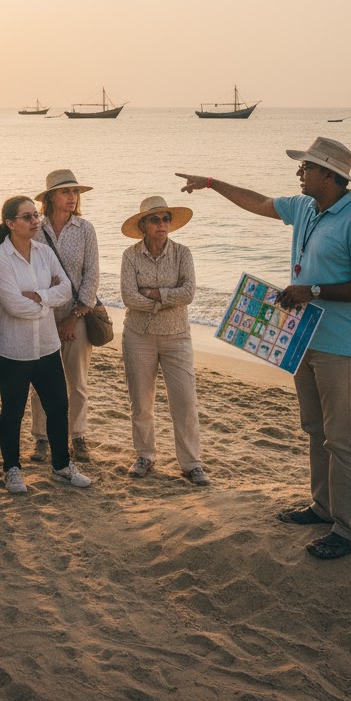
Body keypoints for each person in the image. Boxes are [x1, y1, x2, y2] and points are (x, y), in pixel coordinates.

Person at [178, 136, 351, 559]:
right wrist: (212, 183)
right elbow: (258, 203)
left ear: (329, 175)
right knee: (315, 430)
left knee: (343, 439)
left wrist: (311, 289)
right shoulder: (306, 207)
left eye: (306, 168)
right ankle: (324, 507)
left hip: (339, 345)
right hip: (303, 338)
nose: (299, 173)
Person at [0, 197, 91, 493]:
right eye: (27, 217)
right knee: (13, 410)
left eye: (36, 215)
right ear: (10, 224)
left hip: (46, 345)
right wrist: (46, 302)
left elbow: (66, 289)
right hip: (11, 348)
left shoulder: (44, 252)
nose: (35, 221)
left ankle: (61, 465)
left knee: (59, 406)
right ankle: (12, 469)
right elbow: (14, 304)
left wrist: (40, 297)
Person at [119, 196, 208, 487]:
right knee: (141, 402)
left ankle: (191, 463)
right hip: (138, 335)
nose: (162, 224)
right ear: (143, 225)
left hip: (177, 336)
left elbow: (189, 293)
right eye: (155, 219)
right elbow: (129, 297)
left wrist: (154, 294)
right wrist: (168, 296)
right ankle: (145, 455)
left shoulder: (183, 253)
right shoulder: (130, 255)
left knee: (184, 401)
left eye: (166, 218)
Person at [30, 169, 100, 463]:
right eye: (65, 192)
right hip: (41, 315)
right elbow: (30, 273)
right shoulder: (34, 229)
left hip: (78, 315)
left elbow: (92, 275)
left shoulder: (85, 229)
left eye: (75, 192)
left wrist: (76, 314)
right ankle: (41, 438)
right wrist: (43, 311)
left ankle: (77, 436)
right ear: (50, 197)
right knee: (41, 382)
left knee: (77, 381)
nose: (72, 197)